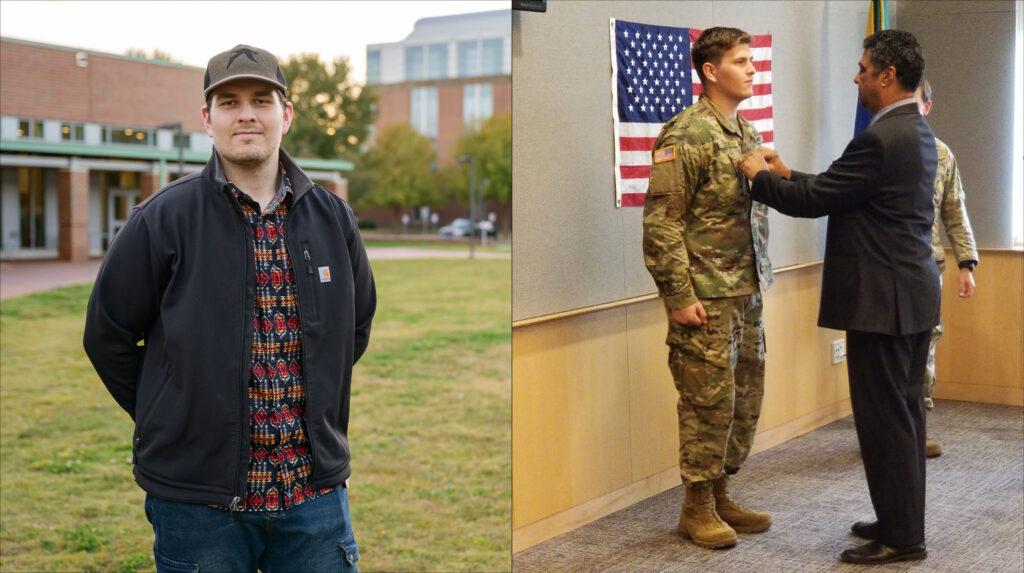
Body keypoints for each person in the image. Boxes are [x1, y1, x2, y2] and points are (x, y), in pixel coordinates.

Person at [83, 44, 376, 571]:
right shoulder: (162, 219)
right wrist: (172, 411)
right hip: (198, 504)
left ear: (285, 115)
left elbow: (353, 329)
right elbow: (108, 336)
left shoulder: (335, 220)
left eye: (261, 100)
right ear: (207, 119)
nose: (246, 113)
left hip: (314, 496)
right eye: (229, 101)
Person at [738, 29, 938, 565]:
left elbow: (819, 199)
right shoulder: (913, 129)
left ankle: (901, 538)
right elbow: (846, 191)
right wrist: (787, 173)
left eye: (863, 68)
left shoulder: (878, 138)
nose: (857, 77)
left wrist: (759, 177)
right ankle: (900, 517)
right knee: (905, 415)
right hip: (909, 296)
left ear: (887, 76)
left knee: (885, 421)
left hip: (883, 303)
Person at [642, 26, 774, 550]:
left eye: (752, 60)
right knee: (706, 402)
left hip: (746, 290)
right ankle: (695, 506)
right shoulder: (687, 134)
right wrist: (678, 296)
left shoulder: (745, 133)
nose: (751, 69)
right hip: (705, 296)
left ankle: (720, 494)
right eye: (741, 61)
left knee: (743, 398)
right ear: (711, 72)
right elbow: (662, 224)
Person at [914, 78, 979, 458]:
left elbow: (955, 209)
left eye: (918, 104)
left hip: (928, 269)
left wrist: (966, 264)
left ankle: (916, 429)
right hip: (887, 272)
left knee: (926, 350)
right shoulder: (878, 148)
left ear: (928, 107)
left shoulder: (941, 155)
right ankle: (883, 435)